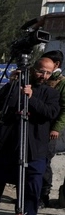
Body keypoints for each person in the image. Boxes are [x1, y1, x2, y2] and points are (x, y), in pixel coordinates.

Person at [0, 57, 61, 215]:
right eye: (40, 71)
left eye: (48, 72)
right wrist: (10, 84)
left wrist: (31, 99)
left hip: (34, 146)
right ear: (32, 69)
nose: (43, 75)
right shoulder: (15, 87)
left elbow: (50, 113)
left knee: (33, 182)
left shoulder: (50, 93)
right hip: (6, 143)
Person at [38, 50, 65, 206]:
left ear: (56, 65)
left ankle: (43, 195)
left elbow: (64, 109)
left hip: (50, 130)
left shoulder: (61, 82)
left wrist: (56, 128)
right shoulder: (40, 79)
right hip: (36, 128)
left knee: (45, 162)